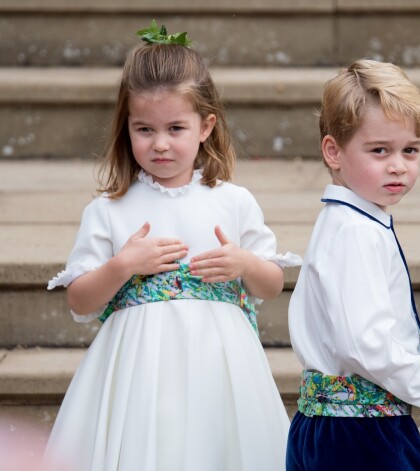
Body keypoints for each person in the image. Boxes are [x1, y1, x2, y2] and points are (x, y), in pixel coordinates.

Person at [44, 21, 299, 471]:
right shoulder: (110, 209)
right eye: (144, 129)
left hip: (219, 368)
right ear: (127, 127)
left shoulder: (232, 200)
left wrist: (243, 263)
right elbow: (80, 301)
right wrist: (122, 266)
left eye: (175, 128)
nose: (160, 144)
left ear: (206, 126)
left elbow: (272, 284)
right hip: (138, 374)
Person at [286, 59, 420, 471]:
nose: (398, 164)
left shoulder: (350, 221)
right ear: (334, 151)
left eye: (409, 150)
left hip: (334, 426)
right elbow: (365, 341)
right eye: (380, 150)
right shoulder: (354, 232)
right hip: (361, 434)